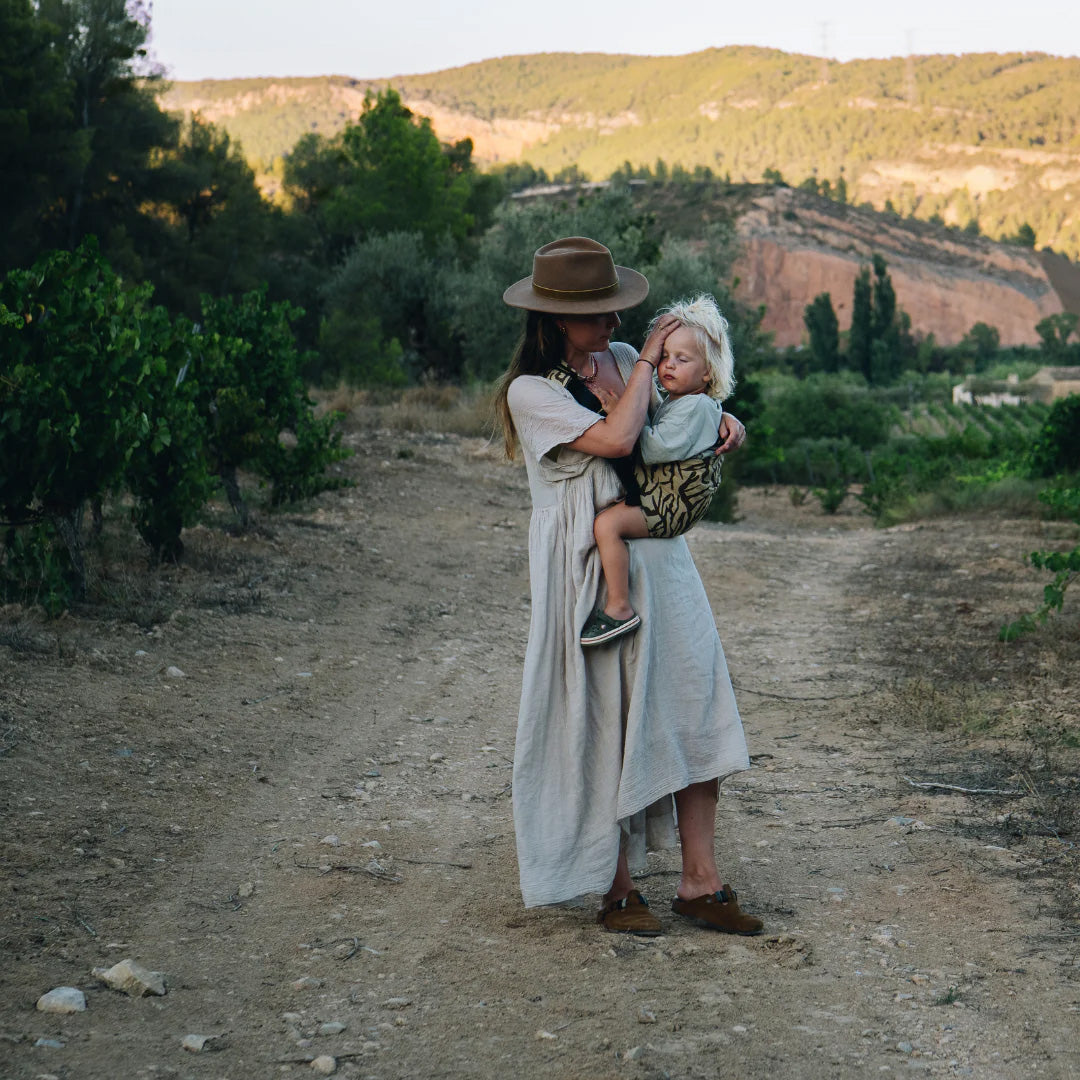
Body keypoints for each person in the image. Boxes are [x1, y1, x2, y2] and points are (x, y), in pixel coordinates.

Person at [494, 236, 763, 936]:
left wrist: (725, 420)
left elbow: (675, 418)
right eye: (600, 317)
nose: (615, 329)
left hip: (660, 554)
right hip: (588, 561)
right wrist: (646, 360)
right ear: (556, 320)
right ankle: (616, 889)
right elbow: (617, 441)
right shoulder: (531, 393)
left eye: (619, 316)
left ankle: (700, 883)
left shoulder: (620, 361)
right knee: (605, 719)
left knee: (696, 700)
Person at [581, 294, 736, 647]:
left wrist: (620, 412)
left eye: (682, 359)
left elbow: (651, 450)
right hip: (666, 496)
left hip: (671, 505)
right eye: (664, 356)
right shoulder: (683, 401)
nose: (667, 365)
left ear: (708, 370)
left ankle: (619, 608)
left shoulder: (695, 407)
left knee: (607, 524)